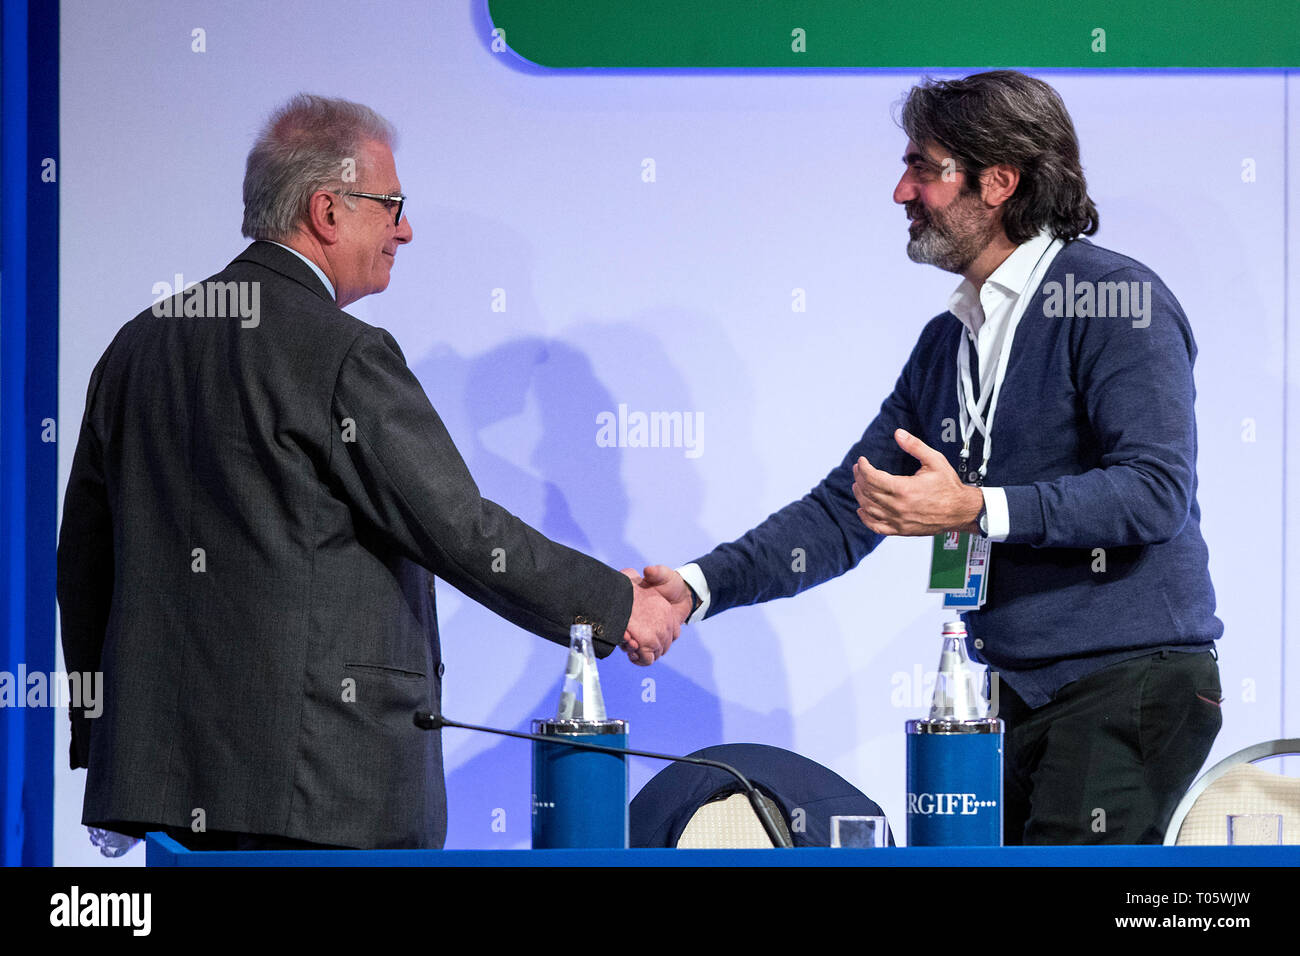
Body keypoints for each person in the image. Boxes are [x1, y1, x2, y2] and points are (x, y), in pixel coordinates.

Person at [56, 93, 679, 852]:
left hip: (161, 796)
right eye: (392, 206)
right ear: (327, 210)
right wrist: (616, 604)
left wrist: (108, 743)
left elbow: (83, 565)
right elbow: (458, 528)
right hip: (325, 796)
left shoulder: (136, 347)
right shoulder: (342, 353)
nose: (405, 229)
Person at [636, 71, 1223, 845]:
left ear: (1000, 181)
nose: (901, 191)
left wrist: (977, 507)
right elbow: (848, 507)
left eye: (923, 167)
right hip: (1019, 689)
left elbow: (1152, 493)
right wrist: (697, 588)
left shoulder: (1117, 299)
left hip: (1129, 680)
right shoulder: (949, 341)